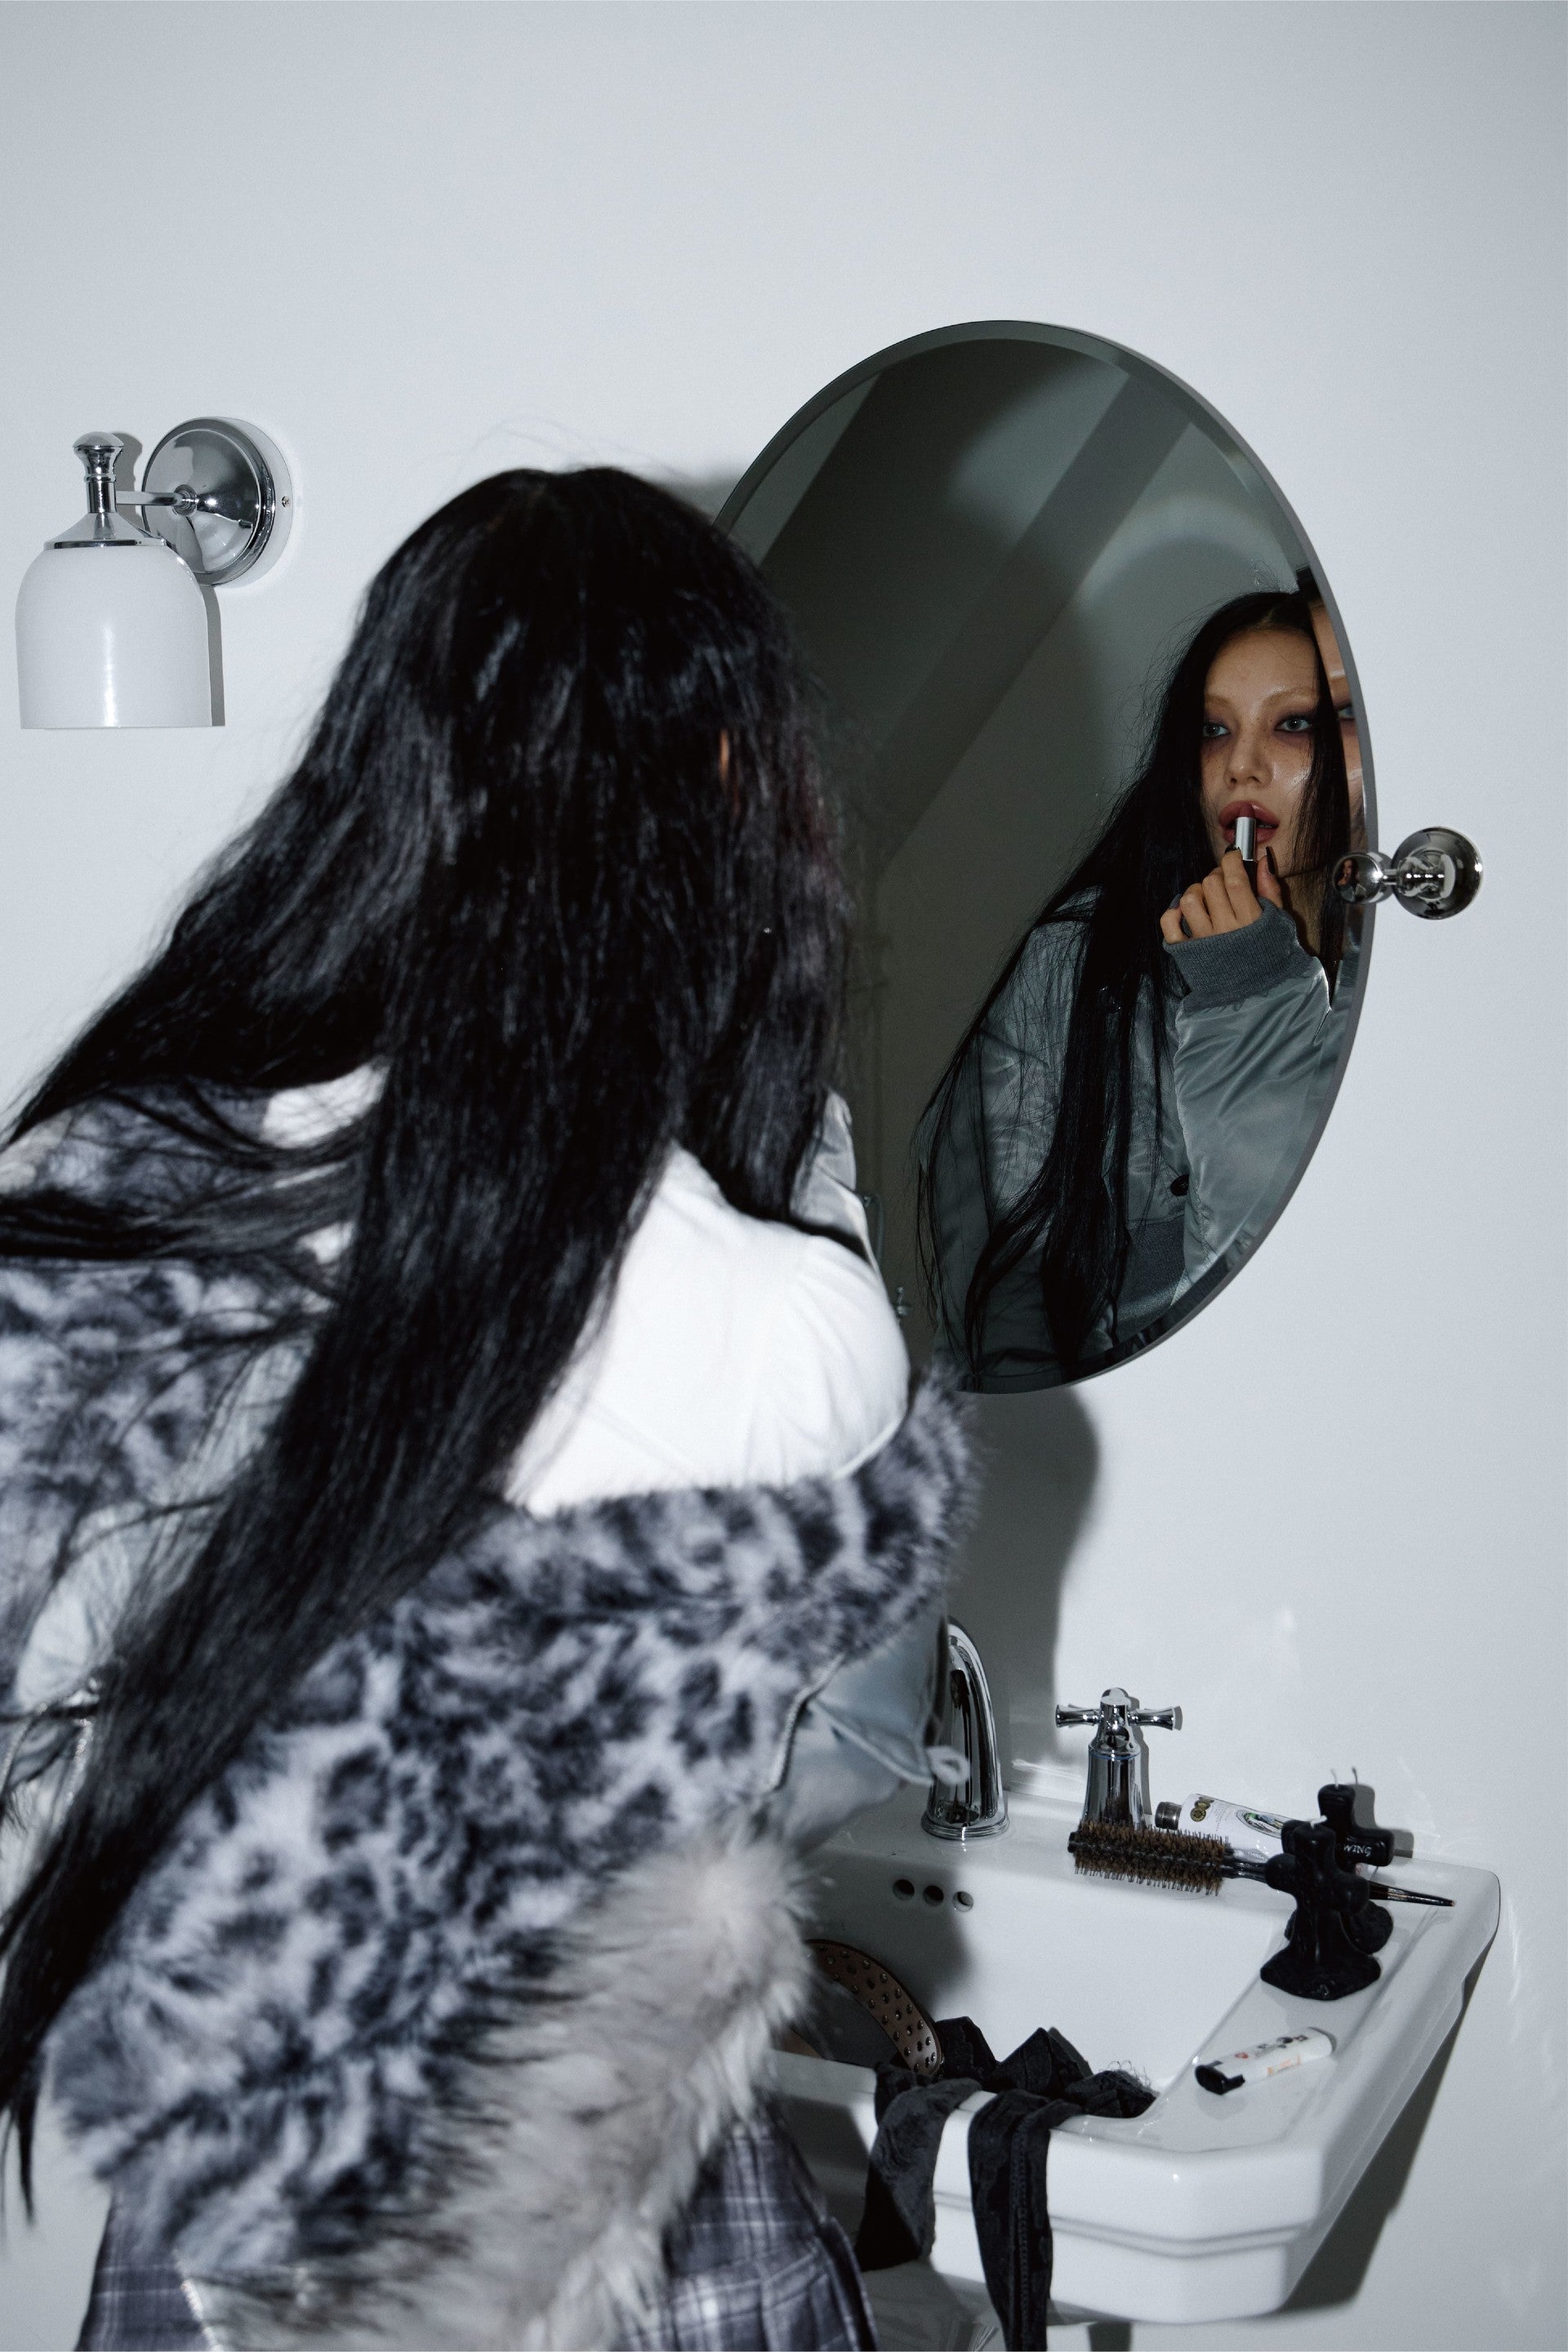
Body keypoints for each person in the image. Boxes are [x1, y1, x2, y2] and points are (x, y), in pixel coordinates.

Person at [0, 470, 972, 2350]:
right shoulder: (770, 1309)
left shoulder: (111, 1177)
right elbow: (834, 1735)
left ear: (381, 770)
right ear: (735, 807)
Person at [918, 588, 1354, 1389]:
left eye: (1293, 725)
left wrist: (1258, 989)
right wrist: (1243, 990)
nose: (1241, 765)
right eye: (1213, 730)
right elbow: (1008, 1287)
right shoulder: (1080, 960)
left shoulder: (1395, 981)